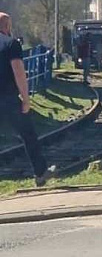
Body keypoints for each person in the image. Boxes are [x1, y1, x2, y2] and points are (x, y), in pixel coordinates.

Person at [0, 12, 56, 186]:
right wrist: (25, 98)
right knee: (28, 134)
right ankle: (40, 173)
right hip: (8, 99)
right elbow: (18, 72)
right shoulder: (11, 44)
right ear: (7, 26)